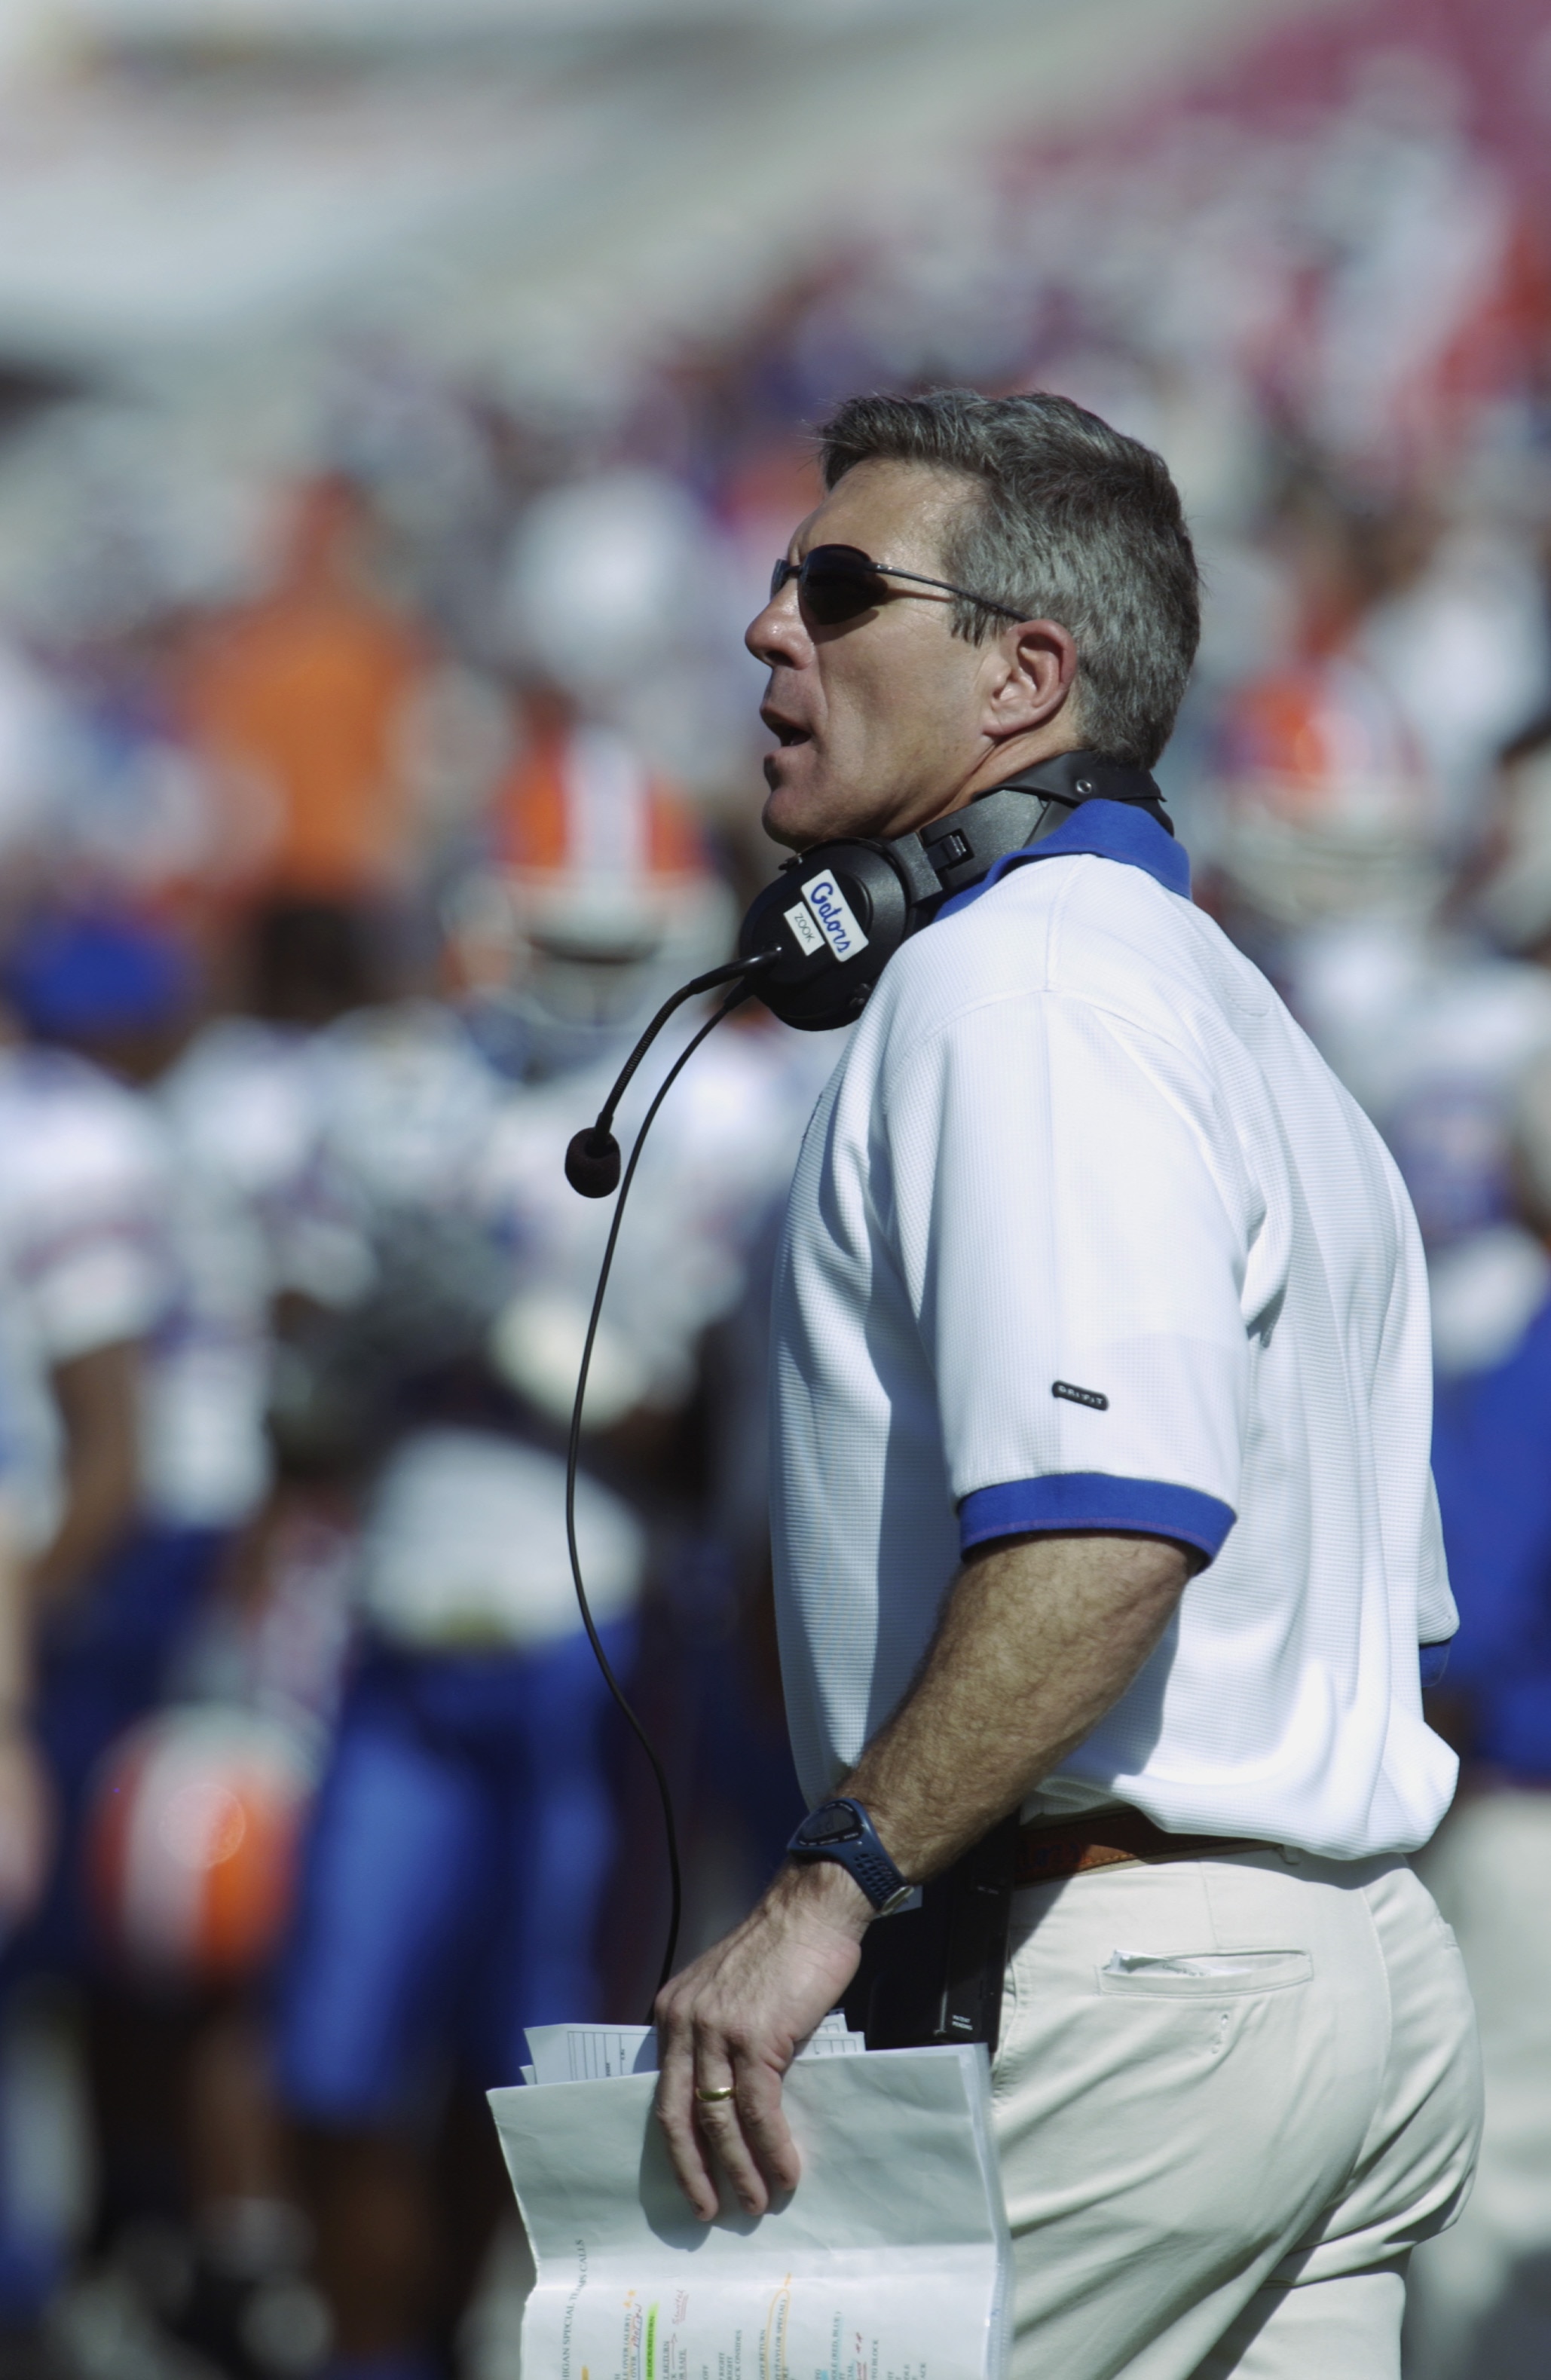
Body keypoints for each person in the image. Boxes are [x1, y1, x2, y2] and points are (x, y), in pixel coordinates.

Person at [651, 388, 1482, 2380]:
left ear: (1025, 676)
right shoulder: (1211, 994)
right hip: (1328, 1959)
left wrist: (827, 1891)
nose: (769, 628)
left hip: (1128, 1980)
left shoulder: (1019, 986)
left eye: (838, 591)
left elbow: (1108, 1525)